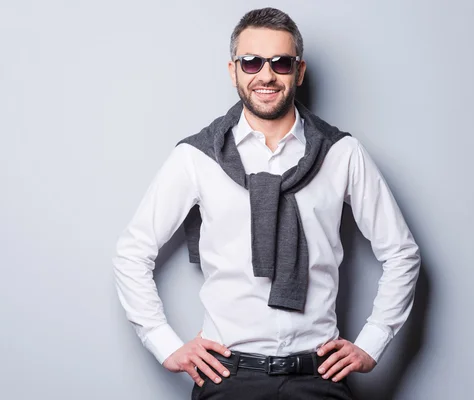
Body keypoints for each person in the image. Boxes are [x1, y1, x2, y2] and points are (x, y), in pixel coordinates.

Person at [113, 7, 420, 400]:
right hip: (227, 375)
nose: (266, 75)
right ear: (233, 70)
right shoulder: (198, 157)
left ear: (300, 71)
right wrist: (164, 342)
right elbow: (132, 253)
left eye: (281, 63)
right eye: (252, 62)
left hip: (317, 375)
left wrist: (373, 342)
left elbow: (402, 253)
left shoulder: (341, 153)